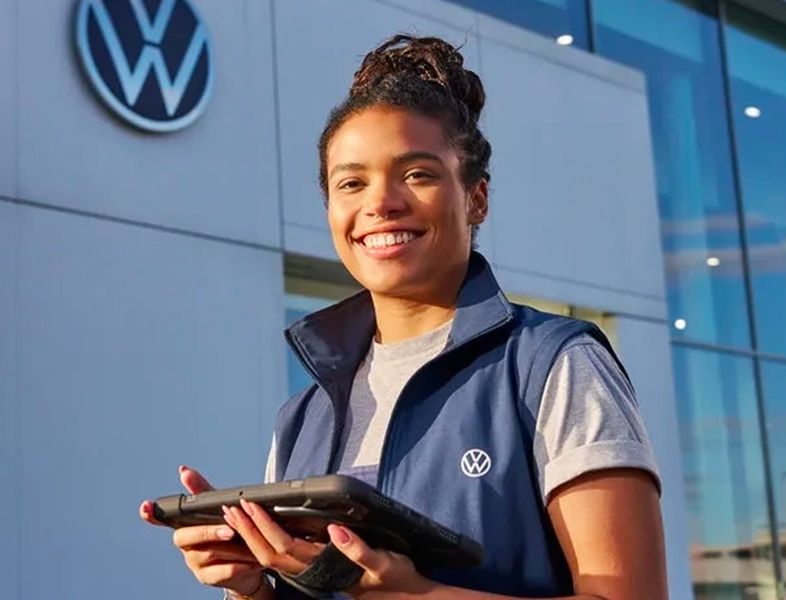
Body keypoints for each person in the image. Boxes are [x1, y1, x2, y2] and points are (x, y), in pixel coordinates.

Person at [137, 35, 667, 599]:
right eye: (351, 182)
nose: (381, 202)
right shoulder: (302, 417)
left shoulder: (552, 365)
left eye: (417, 174)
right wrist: (251, 589)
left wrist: (421, 596)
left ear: (476, 198)